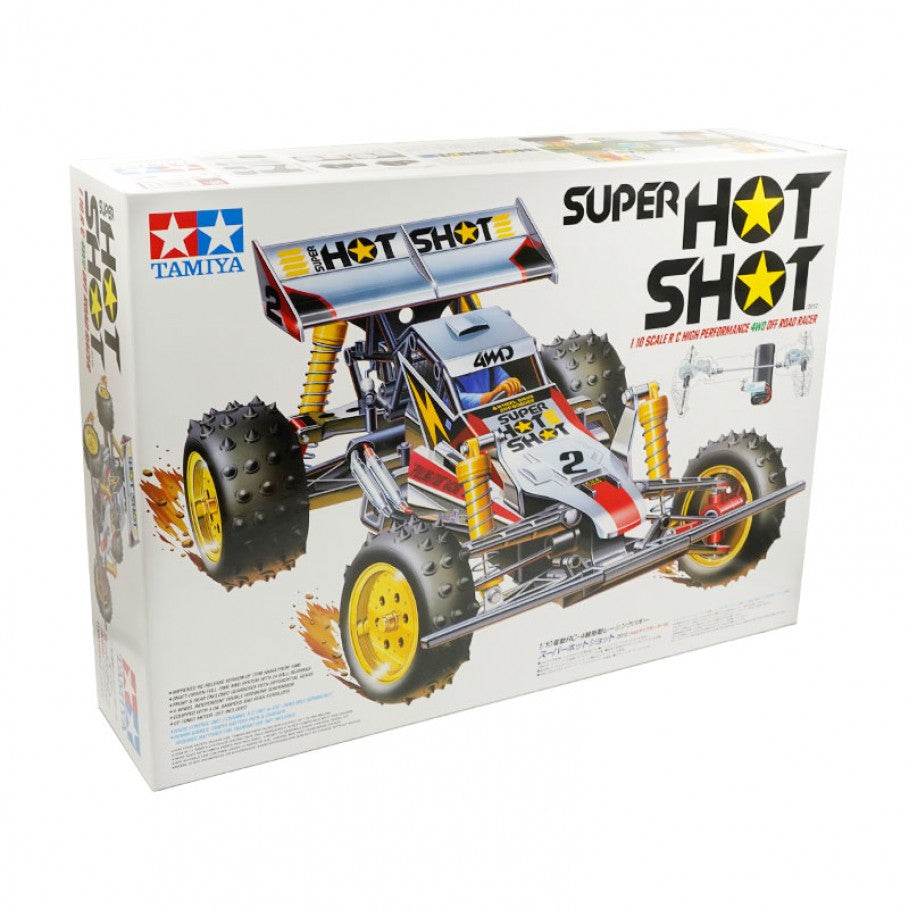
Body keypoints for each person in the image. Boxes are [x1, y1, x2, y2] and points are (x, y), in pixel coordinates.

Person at [454, 366, 522, 408]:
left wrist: (512, 384)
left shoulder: (491, 368)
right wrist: (492, 395)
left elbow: (505, 382)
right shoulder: (451, 379)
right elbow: (457, 399)